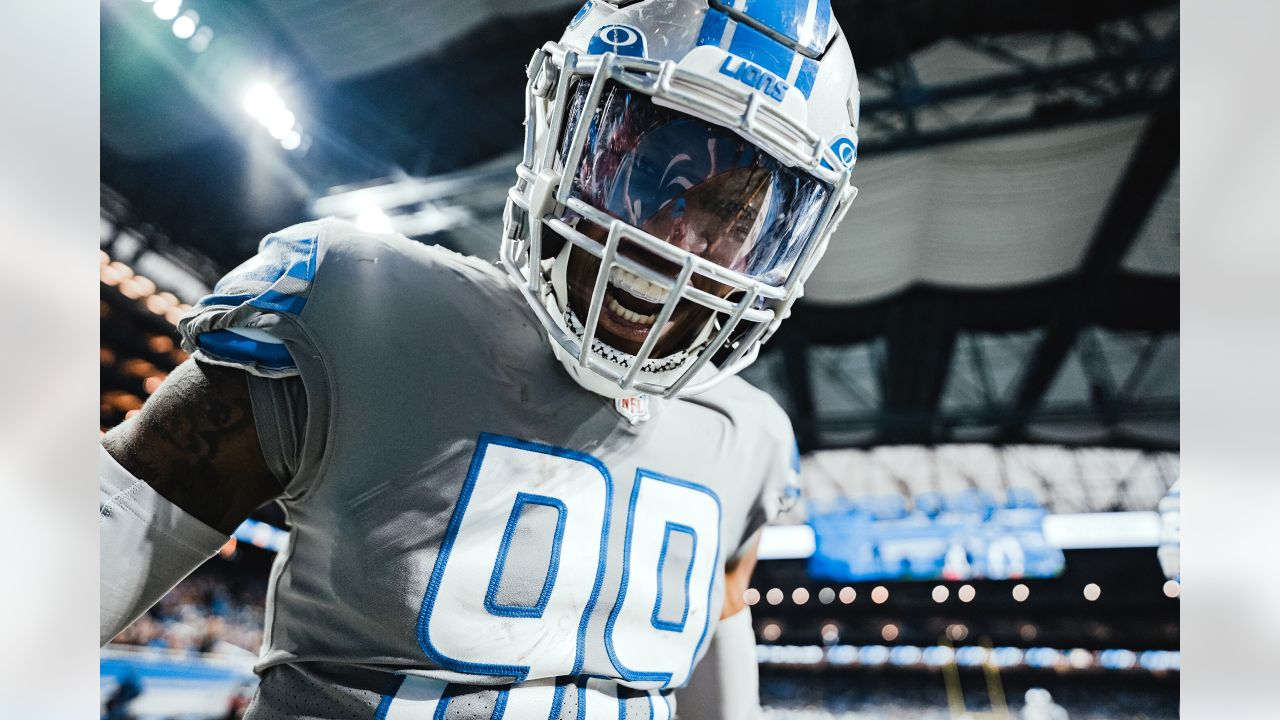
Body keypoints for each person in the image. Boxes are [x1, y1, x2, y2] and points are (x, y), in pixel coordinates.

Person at [100, 1, 861, 717]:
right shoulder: (365, 310)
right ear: (563, 133)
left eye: (729, 213)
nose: (673, 238)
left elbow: (715, 667)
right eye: (643, 169)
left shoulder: (747, 439)